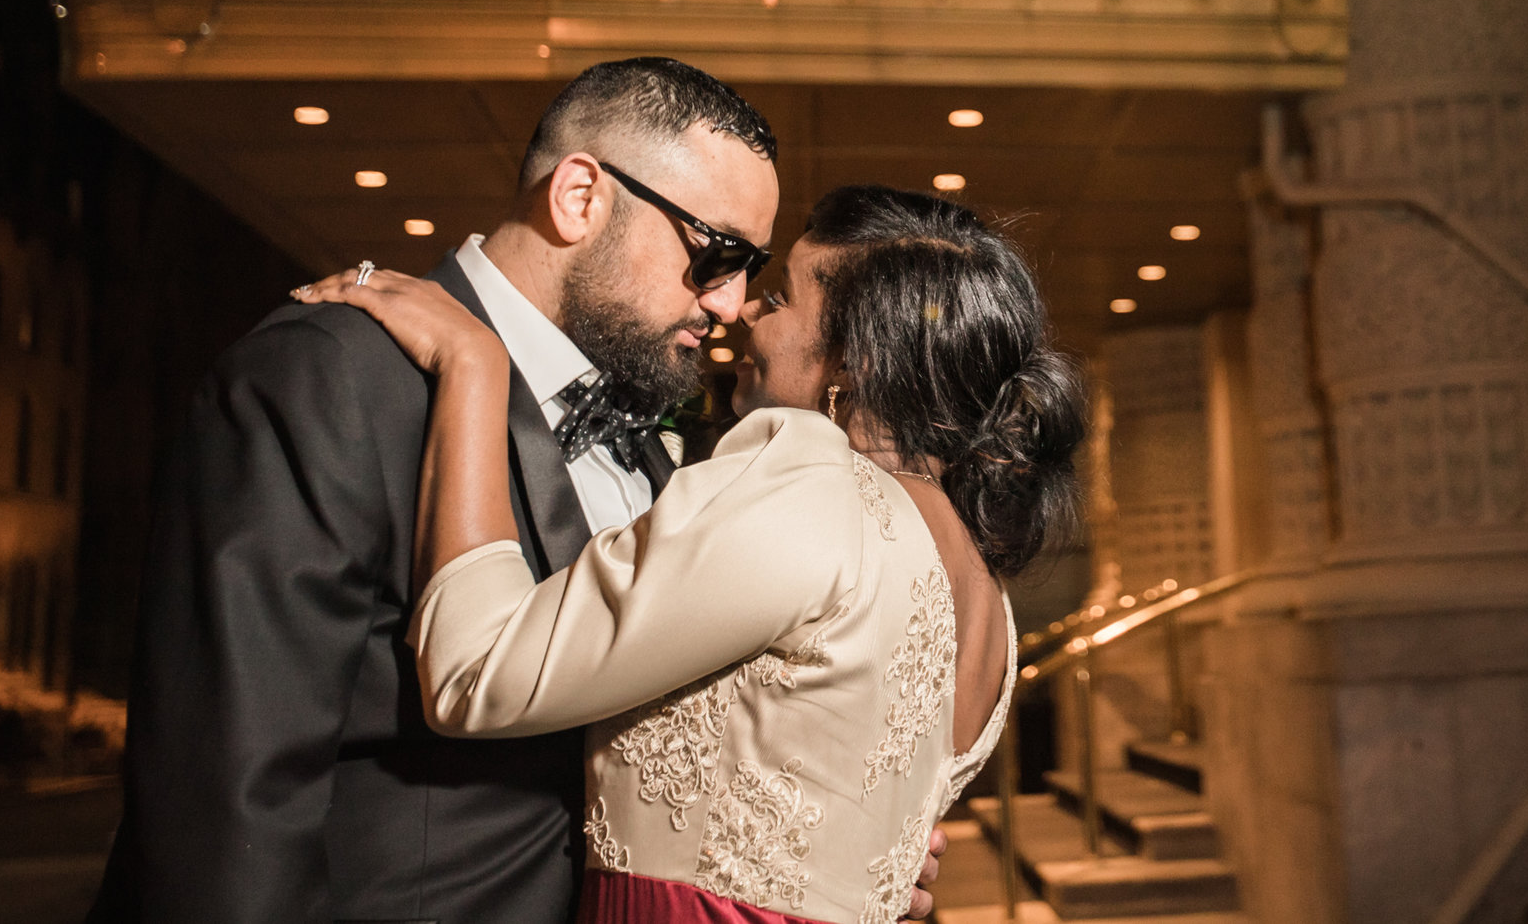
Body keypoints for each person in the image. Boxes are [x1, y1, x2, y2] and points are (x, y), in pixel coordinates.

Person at [88, 58, 951, 924]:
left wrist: (834, 852)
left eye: (750, 268)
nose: (730, 303)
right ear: (581, 197)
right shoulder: (329, 377)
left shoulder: (674, 457)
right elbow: (225, 809)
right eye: (716, 254)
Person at [293, 183, 1085, 924]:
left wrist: (473, 362)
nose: (744, 313)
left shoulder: (811, 482)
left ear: (856, 362)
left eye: (780, 299)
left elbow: (479, 670)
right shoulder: (986, 594)